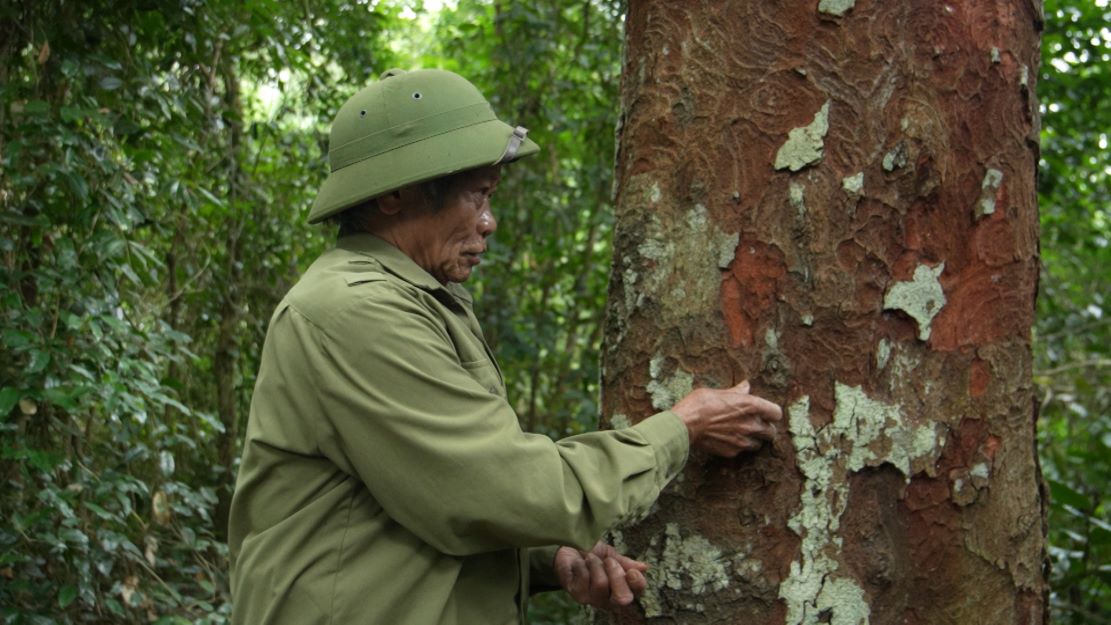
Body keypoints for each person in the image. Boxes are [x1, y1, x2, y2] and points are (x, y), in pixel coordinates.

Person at [227, 68, 782, 625]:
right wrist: (680, 430)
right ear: (395, 195)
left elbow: (412, 500)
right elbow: (501, 489)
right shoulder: (357, 311)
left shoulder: (416, 297)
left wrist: (543, 558)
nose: (489, 222)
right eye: (478, 195)